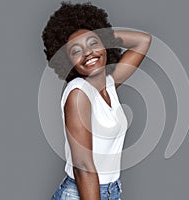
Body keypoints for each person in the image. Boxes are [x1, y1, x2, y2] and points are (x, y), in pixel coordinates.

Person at [42, 2, 151, 200]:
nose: (88, 53)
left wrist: (103, 34)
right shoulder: (78, 93)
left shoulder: (108, 83)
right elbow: (83, 166)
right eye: (76, 51)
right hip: (82, 194)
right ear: (68, 62)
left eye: (93, 43)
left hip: (111, 190)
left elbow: (143, 41)